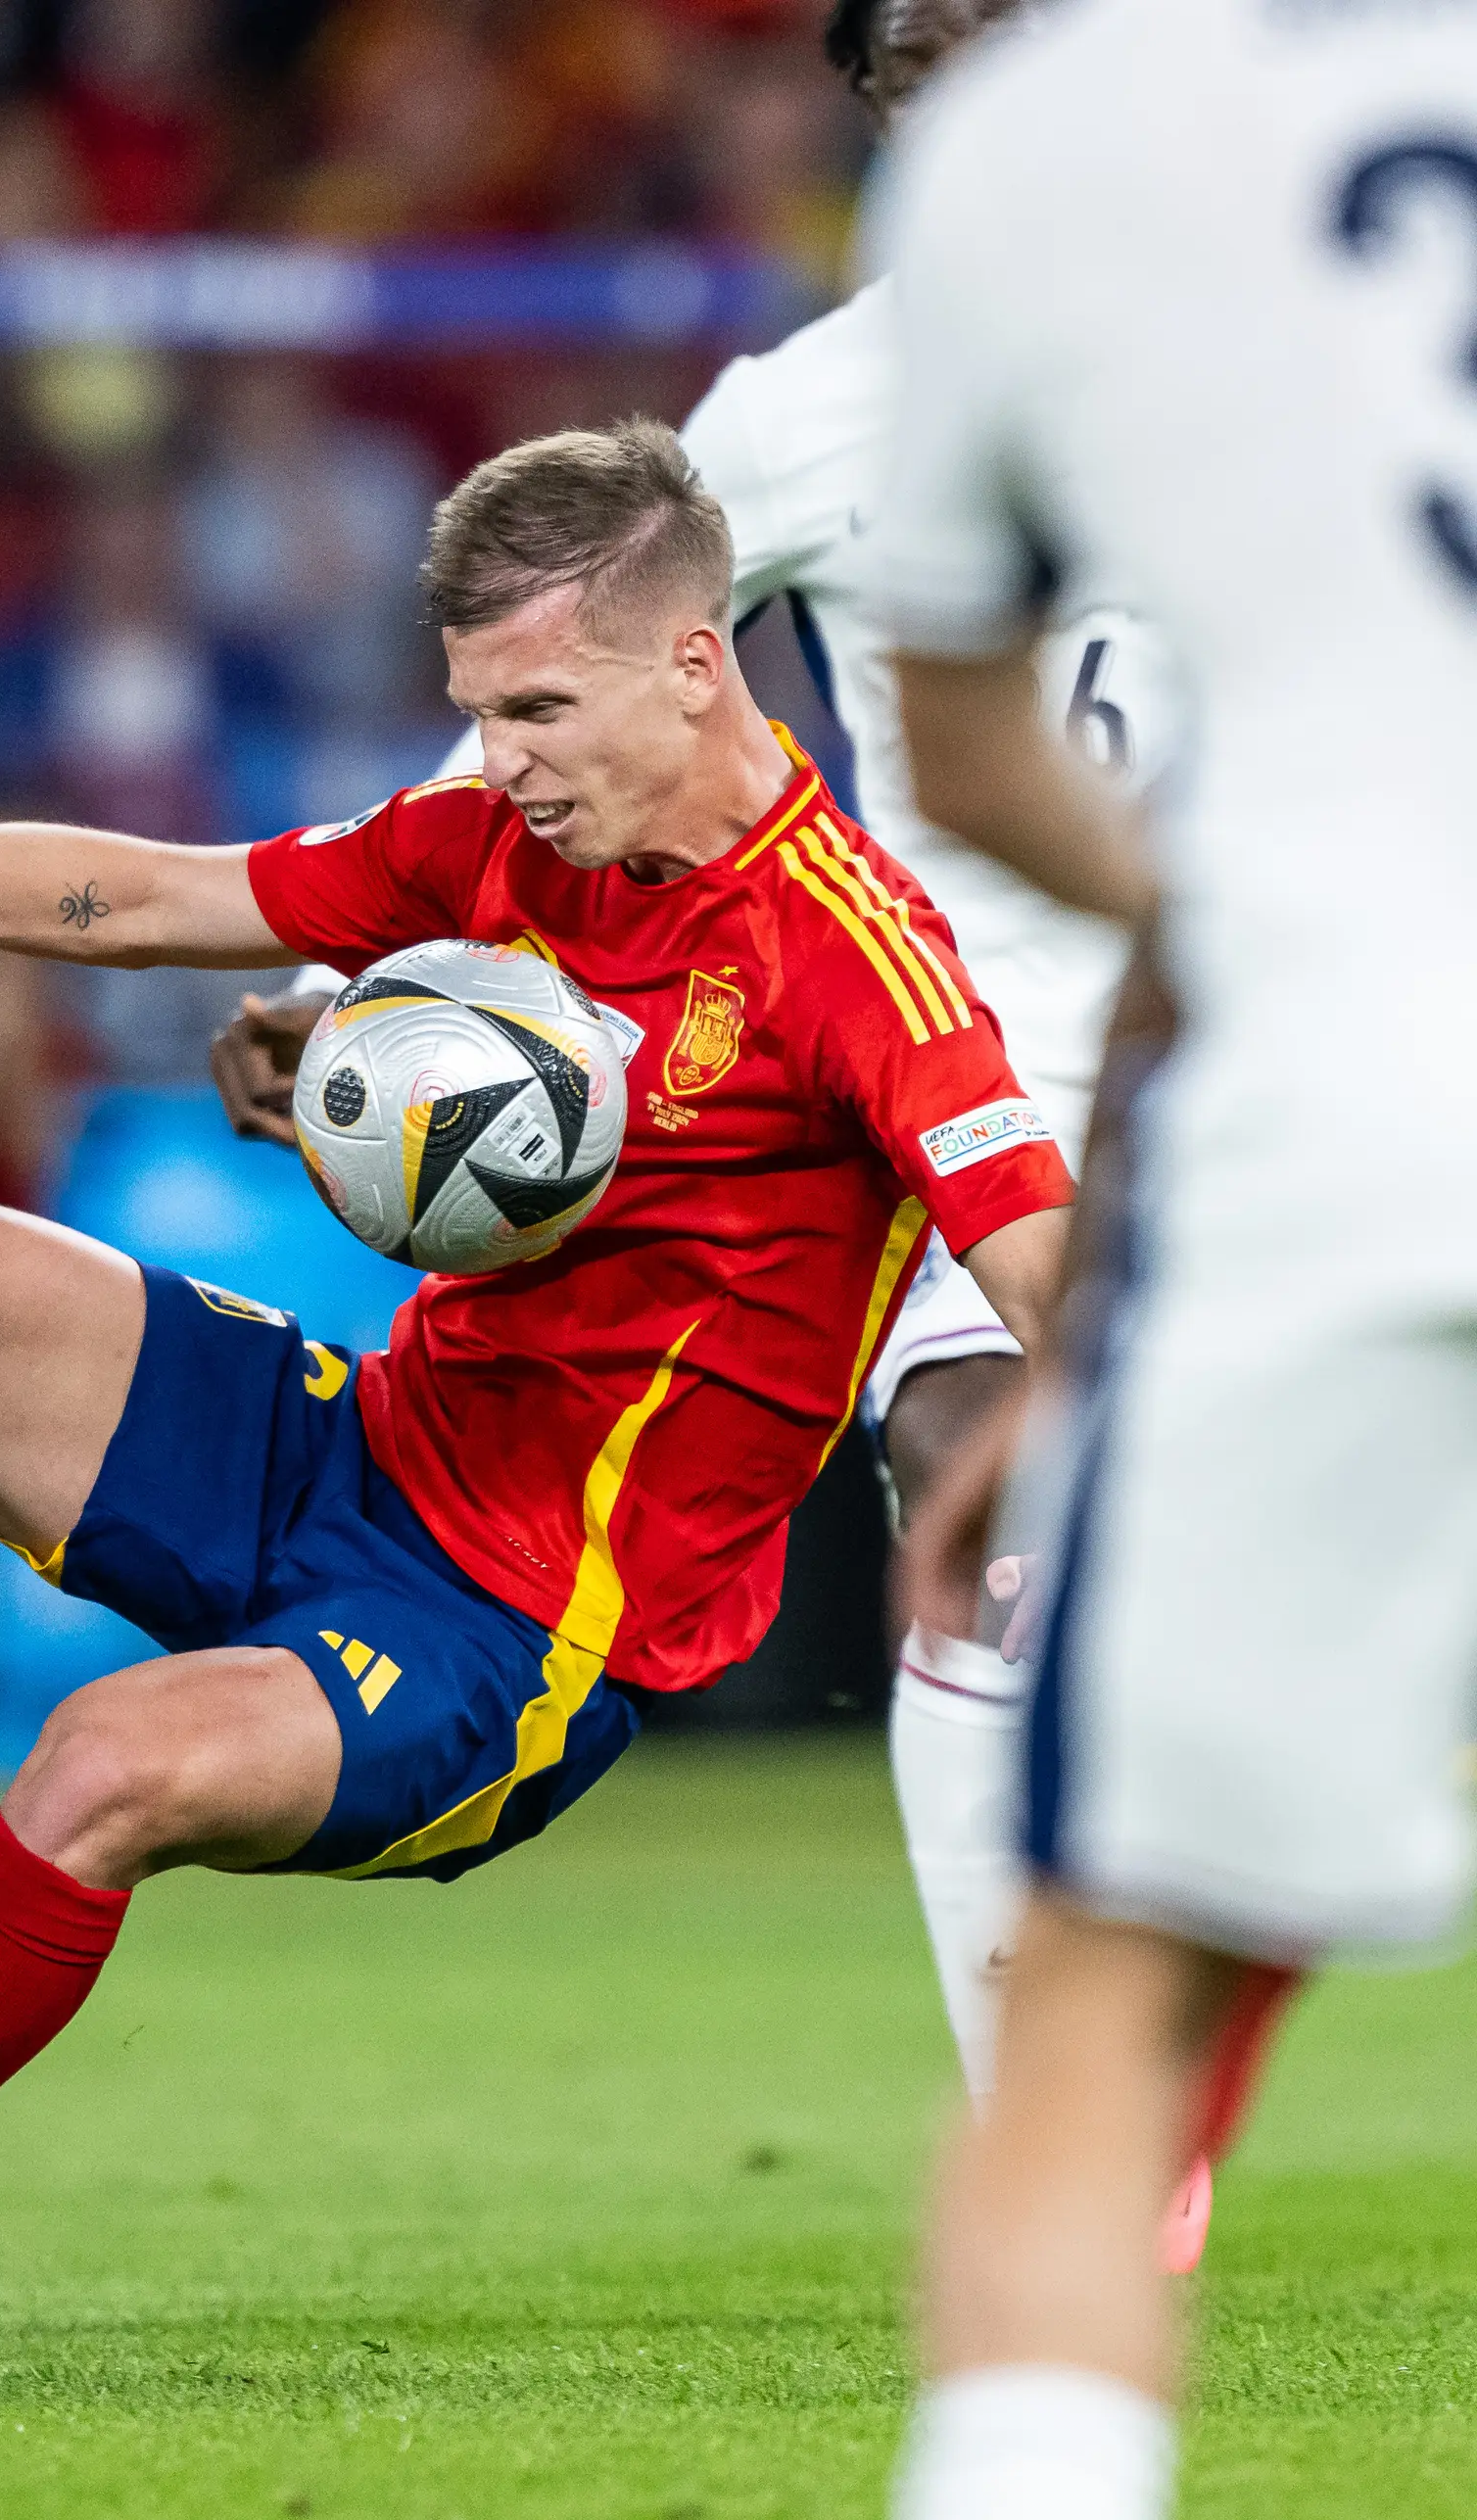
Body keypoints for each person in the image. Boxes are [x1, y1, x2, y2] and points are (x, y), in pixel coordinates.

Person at [0, 421, 1078, 2378]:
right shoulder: (498, 829)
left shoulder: (856, 957)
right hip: (361, 1440)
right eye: (479, 709)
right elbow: (154, 896)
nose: (504, 756)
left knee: (97, 1765)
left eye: (541, 706)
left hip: (516, 1633)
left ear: (696, 661)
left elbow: (1039, 1251)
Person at [210, 0, 1239, 2258]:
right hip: (989, 1049)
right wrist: (357, 984)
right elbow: (550, 707)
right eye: (914, 64)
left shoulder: (1321, 298)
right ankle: (1073, 2169)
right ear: (870, 109)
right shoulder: (804, 413)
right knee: (969, 1480)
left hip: (1340, 1024)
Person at [865, 6, 1477, 2512]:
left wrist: (1077, 1327)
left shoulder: (1029, 146)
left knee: (1096, 2029)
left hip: (1330, 1086)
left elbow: (980, 750)